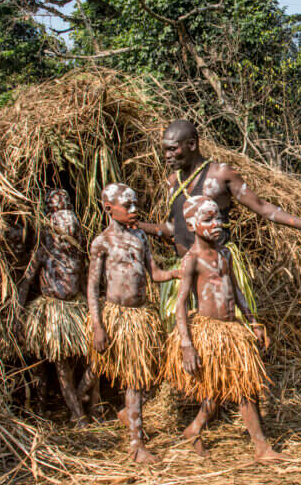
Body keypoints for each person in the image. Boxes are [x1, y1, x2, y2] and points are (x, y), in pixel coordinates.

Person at [137, 120, 301, 323]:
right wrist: (137, 225)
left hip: (218, 270)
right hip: (184, 270)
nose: (167, 156)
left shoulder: (220, 175)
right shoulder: (173, 182)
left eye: (172, 149)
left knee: (228, 334)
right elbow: (172, 229)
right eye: (165, 150)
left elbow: (262, 207)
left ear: (192, 145)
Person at [161, 195, 288, 462]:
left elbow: (237, 291)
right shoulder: (192, 260)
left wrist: (253, 322)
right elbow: (182, 304)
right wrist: (186, 345)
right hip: (210, 331)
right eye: (208, 219)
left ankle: (194, 428)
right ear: (193, 225)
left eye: (218, 217)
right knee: (245, 386)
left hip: (232, 331)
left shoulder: (225, 254)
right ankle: (261, 446)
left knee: (220, 389)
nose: (216, 223)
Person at [88, 183, 180, 463]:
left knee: (151, 374)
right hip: (120, 318)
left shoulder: (140, 236)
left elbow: (154, 274)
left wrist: (176, 273)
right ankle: (136, 443)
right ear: (108, 209)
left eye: (135, 204)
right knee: (134, 380)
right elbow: (92, 287)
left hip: (142, 318)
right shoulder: (102, 242)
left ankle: (128, 414)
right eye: (127, 206)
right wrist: (98, 325)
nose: (134, 209)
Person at [17, 189, 98, 425]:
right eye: (62, 231)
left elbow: (83, 284)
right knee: (62, 365)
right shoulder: (44, 252)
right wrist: (18, 313)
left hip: (76, 309)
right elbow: (26, 281)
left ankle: (84, 392)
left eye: (71, 229)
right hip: (54, 313)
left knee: (96, 356)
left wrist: (93, 311)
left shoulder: (77, 256)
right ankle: (77, 414)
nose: (67, 235)